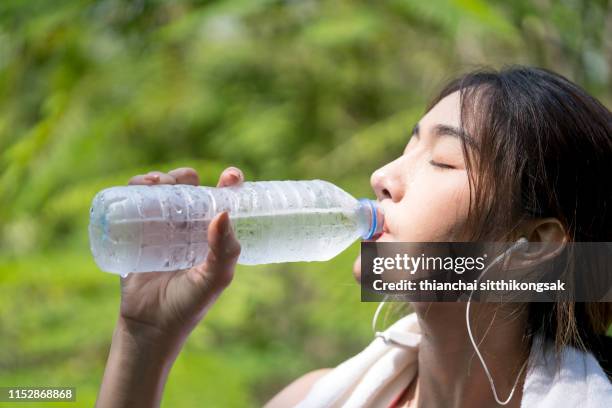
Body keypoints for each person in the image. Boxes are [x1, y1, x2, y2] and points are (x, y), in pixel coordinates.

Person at [96, 66, 612, 408]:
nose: (382, 176)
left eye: (441, 159)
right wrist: (145, 337)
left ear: (534, 247)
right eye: (406, 148)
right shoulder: (314, 399)